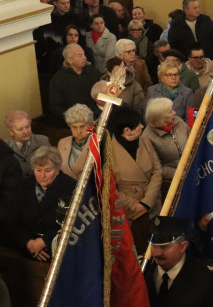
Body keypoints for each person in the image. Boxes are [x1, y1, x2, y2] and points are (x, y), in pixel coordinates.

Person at [106, 106, 161, 248]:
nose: (142, 126)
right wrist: (134, 205)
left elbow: (157, 171)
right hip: (129, 211)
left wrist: (147, 202)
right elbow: (110, 188)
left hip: (152, 203)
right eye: (138, 125)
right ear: (127, 131)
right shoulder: (108, 152)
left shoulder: (145, 141)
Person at [11, 146, 75, 262]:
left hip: (60, 252)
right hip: (27, 250)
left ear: (57, 169)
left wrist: (45, 241)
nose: (42, 175)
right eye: (38, 170)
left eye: (47, 170)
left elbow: (74, 224)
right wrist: (29, 243)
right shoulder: (24, 186)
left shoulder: (72, 187)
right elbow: (14, 222)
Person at [141, 97, 190, 192]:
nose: (174, 113)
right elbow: (155, 168)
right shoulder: (147, 137)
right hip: (171, 183)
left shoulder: (178, 121)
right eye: (170, 111)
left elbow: (191, 138)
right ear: (160, 116)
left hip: (191, 171)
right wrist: (180, 174)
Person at [49, 43, 102, 125]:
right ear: (69, 60)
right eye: (80, 55)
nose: (85, 57)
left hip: (96, 117)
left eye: (84, 54)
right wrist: (74, 117)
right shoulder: (58, 79)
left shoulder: (94, 72)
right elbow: (56, 106)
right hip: (72, 121)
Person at [4, 110, 51, 177]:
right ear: (11, 131)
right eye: (20, 129)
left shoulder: (43, 141)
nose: (25, 131)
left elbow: (53, 165)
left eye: (27, 127)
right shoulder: (5, 147)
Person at [57, 103, 95, 178]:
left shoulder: (96, 142)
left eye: (82, 126)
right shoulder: (63, 142)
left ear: (90, 125)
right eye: (74, 127)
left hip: (88, 187)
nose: (78, 131)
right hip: (66, 186)